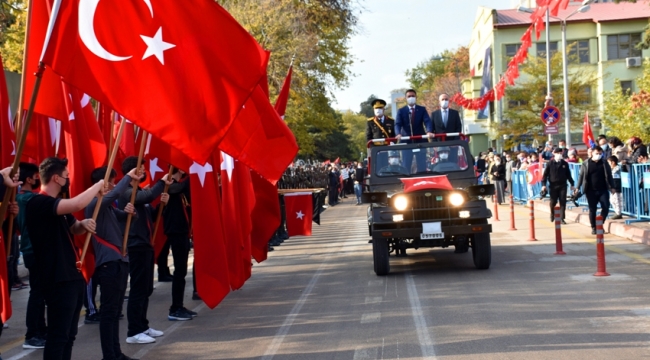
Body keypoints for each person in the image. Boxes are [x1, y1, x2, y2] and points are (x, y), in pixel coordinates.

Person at [24, 157, 104, 359]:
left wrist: (83, 223)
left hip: (71, 274)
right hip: (57, 278)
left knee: (69, 335)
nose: (68, 180)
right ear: (56, 179)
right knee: (58, 336)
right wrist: (98, 186)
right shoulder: (38, 202)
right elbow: (78, 203)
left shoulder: (55, 205)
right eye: (66, 176)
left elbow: (73, 227)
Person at [87, 166, 140, 360]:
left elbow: (126, 220)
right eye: (109, 181)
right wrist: (128, 177)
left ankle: (116, 352)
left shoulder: (108, 207)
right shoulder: (94, 204)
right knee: (108, 313)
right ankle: (109, 355)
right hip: (108, 263)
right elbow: (116, 192)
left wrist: (131, 214)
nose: (112, 185)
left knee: (115, 312)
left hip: (119, 260)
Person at [118, 157, 172, 344]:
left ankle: (143, 325)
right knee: (139, 289)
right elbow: (146, 197)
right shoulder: (126, 192)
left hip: (146, 244)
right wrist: (161, 182)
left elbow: (151, 216)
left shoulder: (139, 191)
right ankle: (134, 331)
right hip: (135, 245)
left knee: (147, 288)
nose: (143, 172)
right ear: (132, 172)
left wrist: (161, 206)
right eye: (140, 169)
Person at [16, 162, 47, 350]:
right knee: (37, 293)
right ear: (29, 179)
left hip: (34, 249)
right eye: (36, 176)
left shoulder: (22, 198)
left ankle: (40, 330)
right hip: (33, 249)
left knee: (40, 292)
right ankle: (32, 334)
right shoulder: (27, 199)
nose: (38, 179)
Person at [162, 169, 196, 322]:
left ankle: (179, 305)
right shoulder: (171, 186)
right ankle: (175, 308)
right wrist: (195, 173)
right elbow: (175, 188)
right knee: (179, 271)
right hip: (176, 232)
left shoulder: (179, 186)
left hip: (182, 232)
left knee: (181, 272)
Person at [576, 146, 614, 234]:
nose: (598, 155)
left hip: (603, 190)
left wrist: (612, 187)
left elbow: (609, 175)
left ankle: (599, 224)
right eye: (597, 153)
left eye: (600, 153)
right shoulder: (586, 163)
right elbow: (581, 176)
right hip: (590, 190)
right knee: (593, 209)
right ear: (592, 153)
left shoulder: (604, 163)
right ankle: (593, 227)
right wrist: (577, 187)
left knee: (606, 207)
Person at [395, 90, 434, 172]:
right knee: (406, 165)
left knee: (422, 165)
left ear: (416, 97)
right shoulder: (401, 111)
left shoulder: (422, 109)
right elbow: (397, 124)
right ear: (406, 98)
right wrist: (398, 133)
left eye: (413, 96)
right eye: (409, 96)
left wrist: (429, 131)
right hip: (406, 141)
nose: (411, 98)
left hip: (420, 141)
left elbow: (427, 121)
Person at [541, 148, 575, 224]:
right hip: (553, 185)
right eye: (558, 153)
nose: (559, 154)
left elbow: (568, 175)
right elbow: (545, 175)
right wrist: (543, 185)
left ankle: (562, 218)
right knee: (553, 202)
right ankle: (552, 213)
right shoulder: (550, 163)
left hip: (563, 185)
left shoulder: (564, 164)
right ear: (554, 154)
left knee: (563, 201)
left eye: (560, 153)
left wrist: (572, 184)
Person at [608, 156, 623, 220]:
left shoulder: (617, 169)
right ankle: (617, 212)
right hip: (612, 188)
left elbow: (616, 180)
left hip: (617, 188)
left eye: (608, 162)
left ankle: (618, 213)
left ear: (613, 162)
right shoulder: (611, 169)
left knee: (617, 201)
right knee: (612, 200)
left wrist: (615, 187)